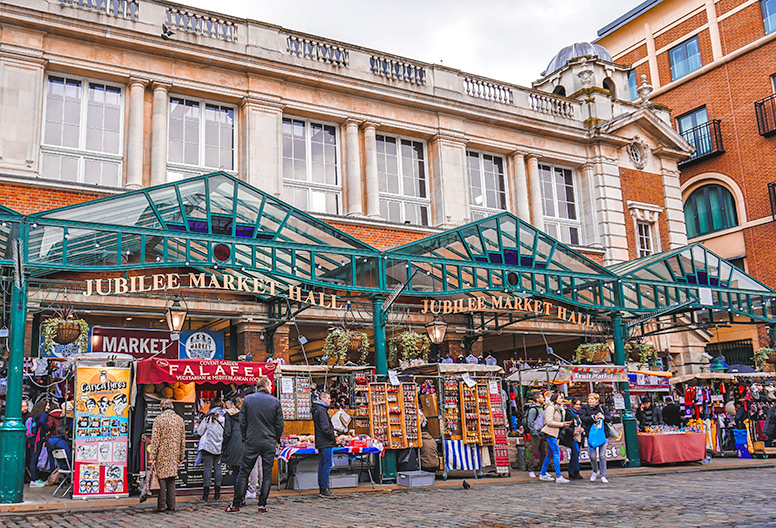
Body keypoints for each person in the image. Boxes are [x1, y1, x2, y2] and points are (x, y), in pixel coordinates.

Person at [226, 376, 284, 514]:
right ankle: (262, 505)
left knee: (244, 472)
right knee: (267, 473)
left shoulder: (248, 400)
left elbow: (243, 421)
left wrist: (246, 437)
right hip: (268, 441)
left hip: (252, 440)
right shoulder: (275, 401)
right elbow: (279, 424)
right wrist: (275, 438)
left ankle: (236, 503)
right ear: (267, 386)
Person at [148, 399, 186, 513]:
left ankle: (161, 505)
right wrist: (181, 456)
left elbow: (155, 440)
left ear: (161, 408)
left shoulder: (159, 420)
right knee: (171, 479)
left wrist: (152, 456)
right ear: (172, 407)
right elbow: (182, 440)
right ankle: (172, 504)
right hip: (174, 454)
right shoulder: (179, 420)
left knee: (162, 479)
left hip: (162, 454)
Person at [538, 391, 571, 484]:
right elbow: (549, 422)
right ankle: (558, 476)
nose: (562, 399)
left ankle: (543, 473)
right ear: (555, 399)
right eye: (560, 397)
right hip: (550, 432)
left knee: (551, 454)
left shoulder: (559, 408)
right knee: (556, 453)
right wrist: (562, 424)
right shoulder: (550, 408)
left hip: (556, 433)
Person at [579, 392, 612, 484]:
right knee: (592, 456)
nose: (590, 401)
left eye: (592, 399)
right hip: (591, 434)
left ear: (597, 400)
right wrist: (593, 418)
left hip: (602, 434)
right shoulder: (585, 408)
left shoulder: (602, 408)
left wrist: (603, 417)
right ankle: (595, 470)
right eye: (589, 399)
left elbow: (610, 418)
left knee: (602, 456)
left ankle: (603, 475)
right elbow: (582, 418)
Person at [197, 398, 225, 501]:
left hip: (208, 447)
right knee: (218, 469)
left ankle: (206, 494)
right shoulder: (225, 418)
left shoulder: (208, 418)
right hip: (219, 447)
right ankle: (217, 493)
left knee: (207, 469)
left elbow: (200, 432)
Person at [311, 391, 336, 498]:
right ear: (323, 399)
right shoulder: (321, 411)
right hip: (325, 442)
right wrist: (332, 437)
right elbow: (326, 428)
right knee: (327, 464)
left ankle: (323, 487)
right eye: (329, 398)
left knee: (322, 465)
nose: (330, 401)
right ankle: (324, 488)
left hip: (321, 441)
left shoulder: (317, 409)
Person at [26, 399, 50, 487]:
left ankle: (34, 478)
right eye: (47, 405)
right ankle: (34, 480)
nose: (48, 407)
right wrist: (47, 429)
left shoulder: (34, 413)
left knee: (33, 458)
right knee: (34, 459)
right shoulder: (43, 414)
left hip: (32, 438)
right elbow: (42, 421)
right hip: (38, 439)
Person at [523, 392, 547, 478]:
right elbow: (530, 422)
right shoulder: (533, 409)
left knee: (543, 452)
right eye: (541, 397)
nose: (543, 399)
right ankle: (531, 470)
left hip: (542, 433)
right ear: (537, 399)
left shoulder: (542, 408)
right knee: (533, 452)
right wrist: (534, 432)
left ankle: (542, 470)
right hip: (536, 434)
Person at [559, 398, 584, 480]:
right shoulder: (568, 413)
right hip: (571, 436)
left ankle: (571, 471)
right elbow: (566, 425)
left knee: (576, 453)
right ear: (573, 405)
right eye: (576, 404)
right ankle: (575, 471)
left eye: (579, 404)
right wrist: (572, 431)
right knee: (576, 450)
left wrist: (583, 429)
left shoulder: (581, 414)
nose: (578, 406)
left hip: (579, 435)